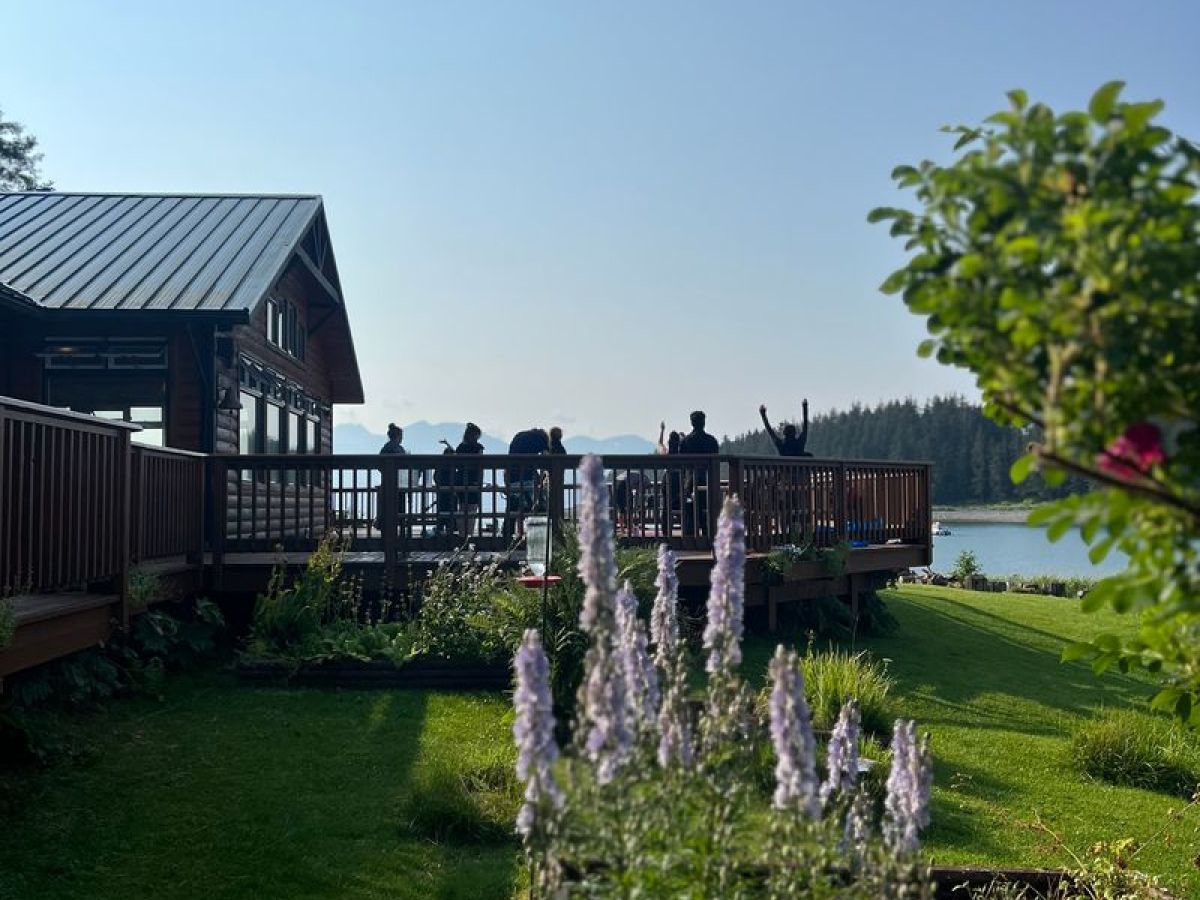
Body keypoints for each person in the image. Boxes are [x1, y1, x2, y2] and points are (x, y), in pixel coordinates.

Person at [503, 427, 550, 539]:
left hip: (512, 476)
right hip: (528, 476)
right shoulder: (541, 440)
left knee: (513, 507)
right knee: (538, 506)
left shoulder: (519, 436)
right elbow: (546, 458)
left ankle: (507, 536)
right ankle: (539, 536)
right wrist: (543, 476)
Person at [679, 410, 719, 536]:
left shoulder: (685, 441)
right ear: (704, 422)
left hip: (691, 479)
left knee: (690, 507)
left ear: (692, 423)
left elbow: (682, 464)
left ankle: (690, 535)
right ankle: (709, 533)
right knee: (707, 507)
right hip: (708, 479)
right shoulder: (711, 440)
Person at [454, 423, 485, 536]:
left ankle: (462, 533)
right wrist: (480, 481)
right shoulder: (478, 448)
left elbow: (457, 465)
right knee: (472, 509)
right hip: (474, 481)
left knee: (462, 507)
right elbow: (480, 466)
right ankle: (469, 534)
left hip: (460, 480)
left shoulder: (460, 448)